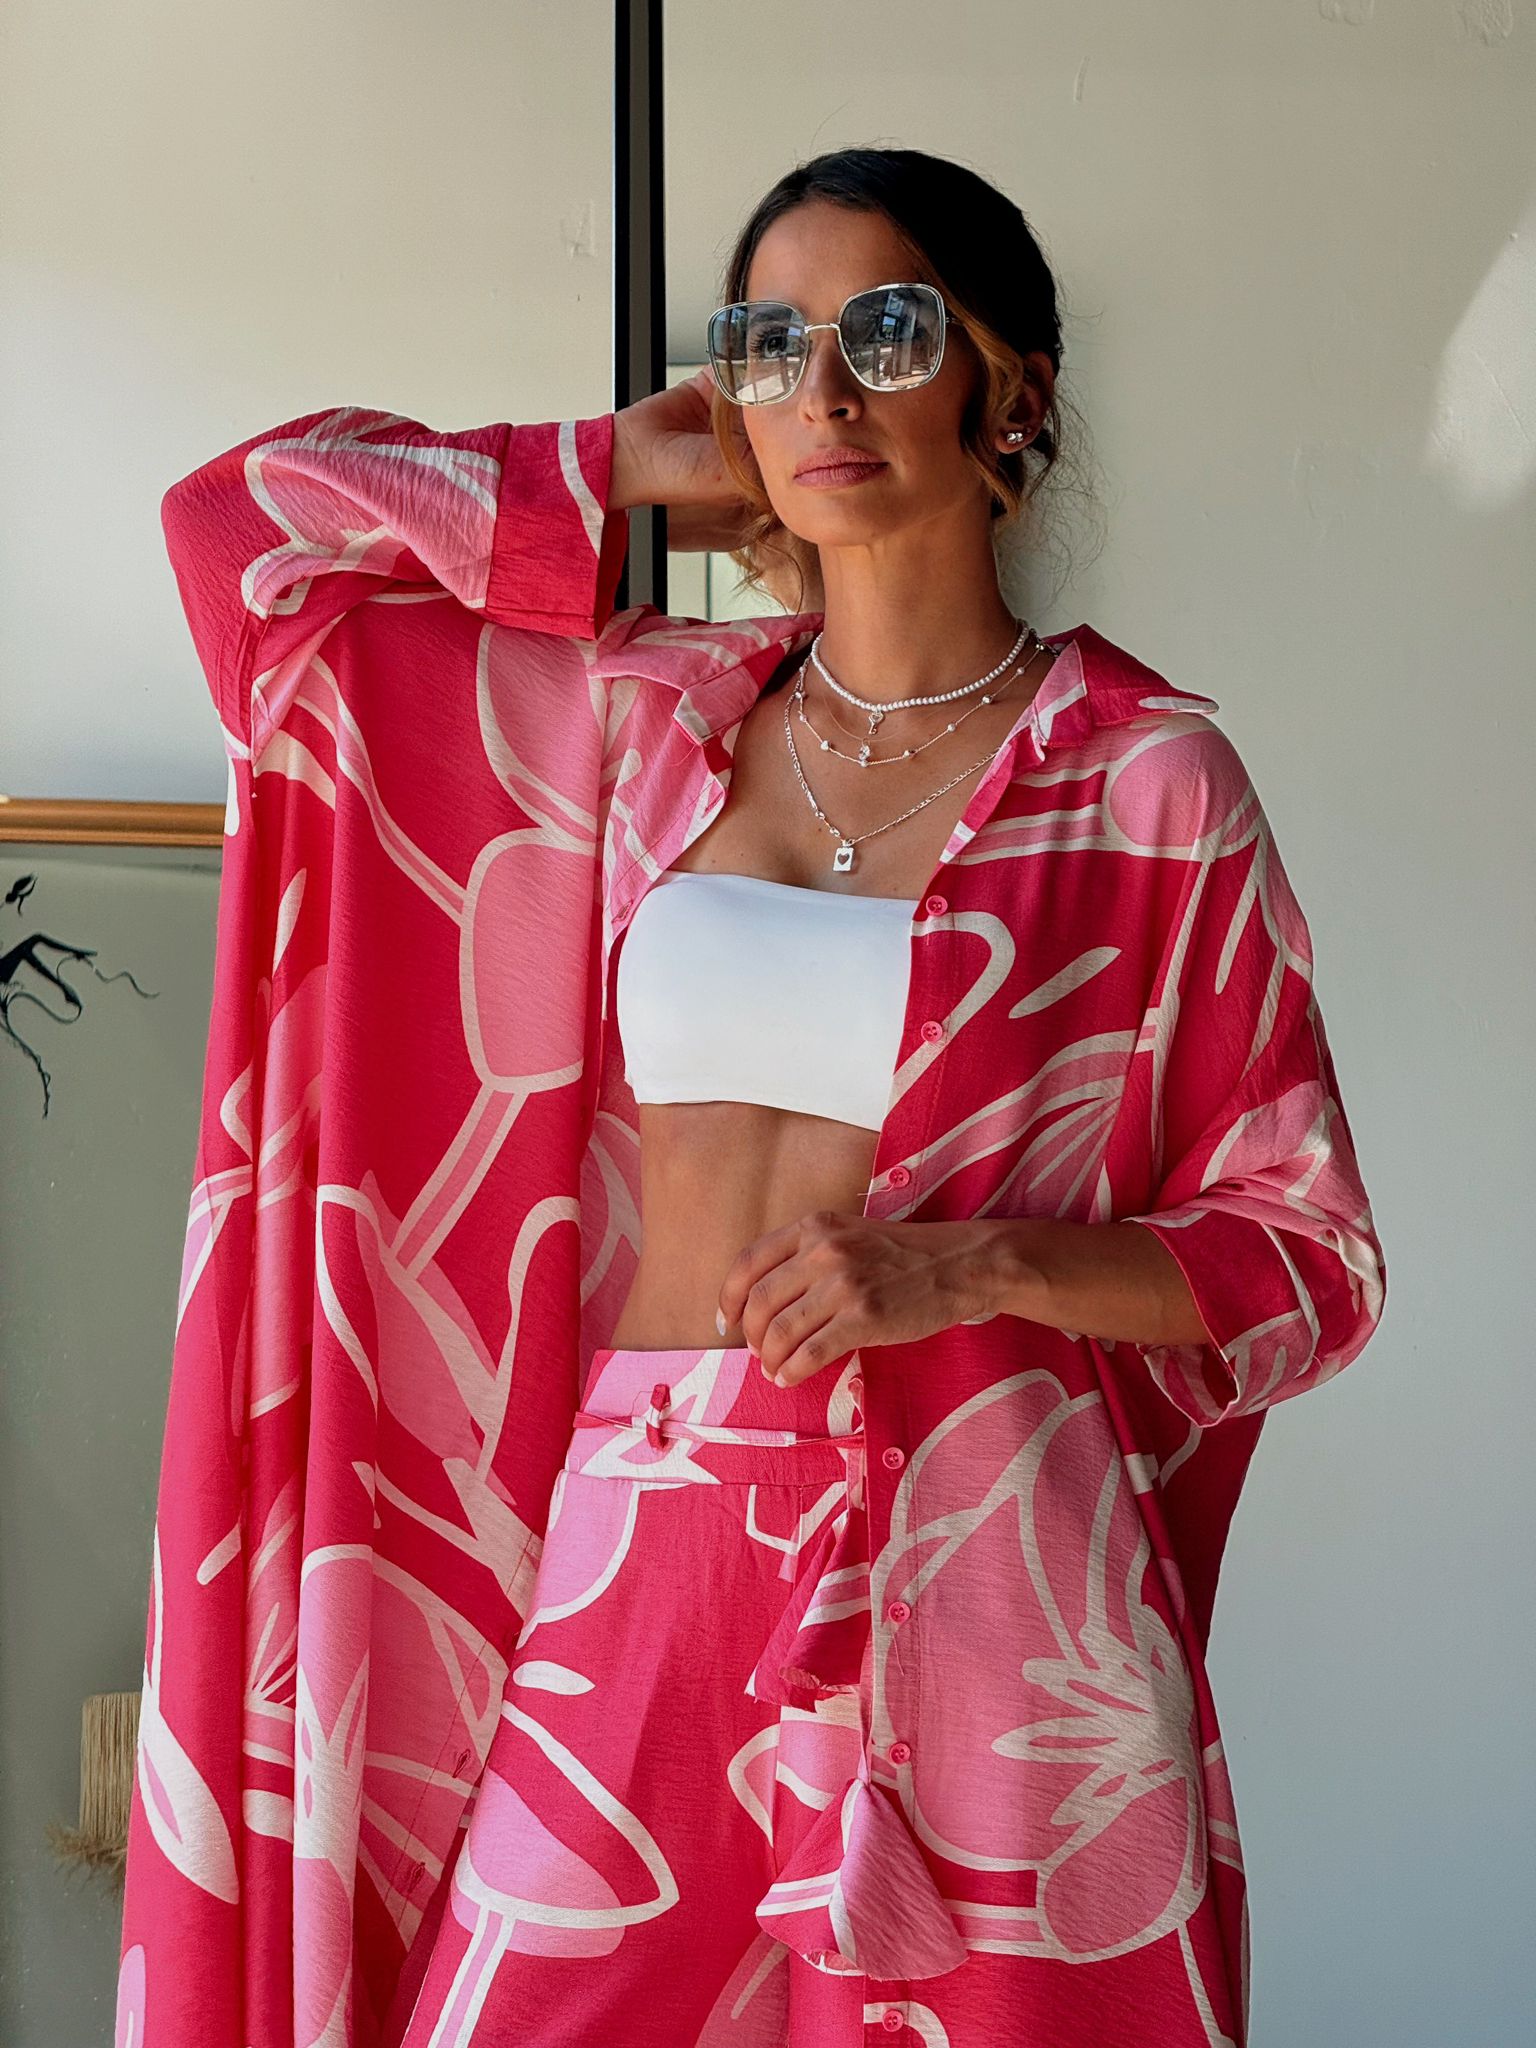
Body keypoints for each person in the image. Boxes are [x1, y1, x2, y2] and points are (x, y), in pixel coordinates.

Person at [117, 148, 1386, 2048]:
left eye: (887, 331)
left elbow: (1308, 1263)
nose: (827, 392)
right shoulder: (639, 725)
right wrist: (612, 468)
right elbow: (246, 551)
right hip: (654, 1523)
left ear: (1010, 384)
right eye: (771, 345)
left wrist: (964, 1271)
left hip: (996, 1567)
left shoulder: (1151, 783)